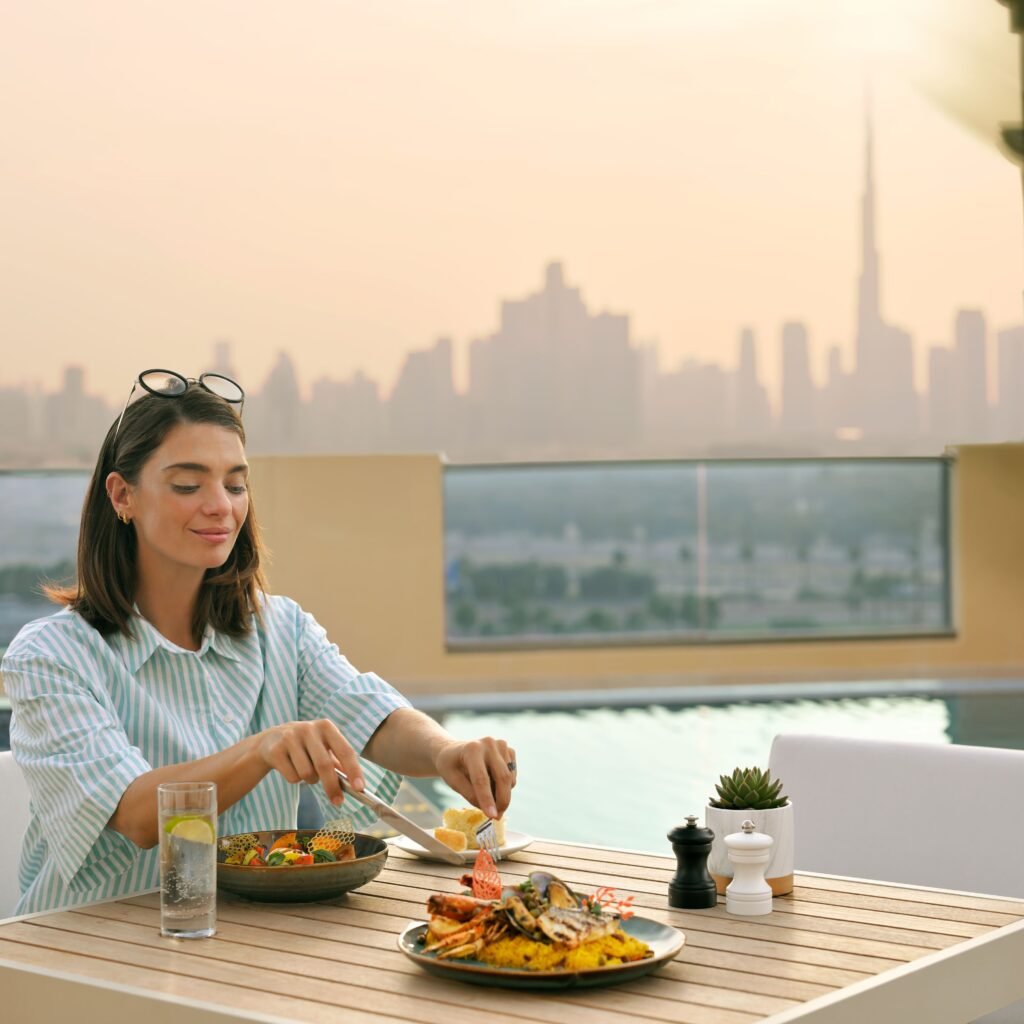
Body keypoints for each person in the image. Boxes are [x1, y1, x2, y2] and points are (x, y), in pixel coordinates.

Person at [1, 370, 517, 915]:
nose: (220, 506)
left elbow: (373, 717)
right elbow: (134, 814)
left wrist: (446, 752)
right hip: (82, 955)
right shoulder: (50, 657)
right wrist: (261, 749)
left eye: (235, 483)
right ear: (122, 494)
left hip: (255, 942)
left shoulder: (280, 629)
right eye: (187, 485)